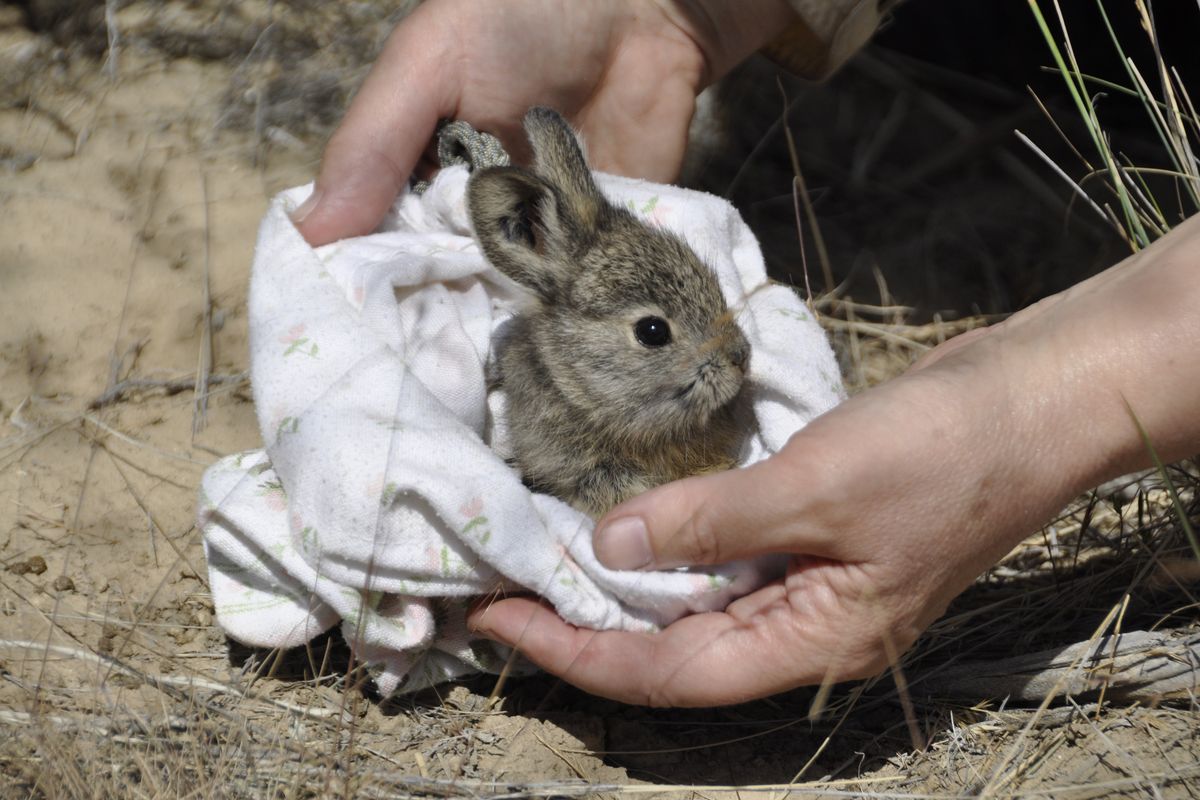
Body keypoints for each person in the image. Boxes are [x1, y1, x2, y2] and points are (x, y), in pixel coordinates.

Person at [293, 0, 1200, 706]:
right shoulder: (541, 377)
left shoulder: (714, 393)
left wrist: (1045, 406)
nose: (731, 367)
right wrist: (672, 13)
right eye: (656, 333)